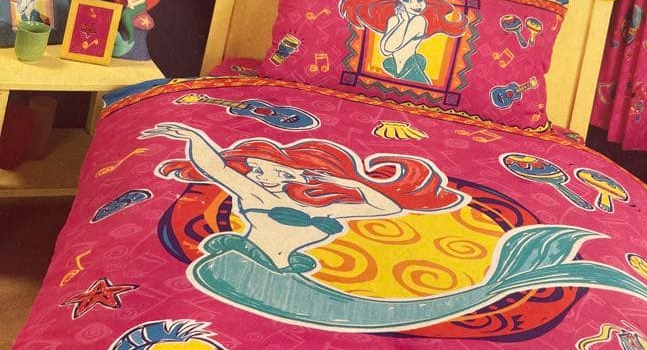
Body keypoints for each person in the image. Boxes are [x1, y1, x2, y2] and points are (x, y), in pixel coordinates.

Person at [142, 125, 464, 272]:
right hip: (246, 262)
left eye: (261, 169)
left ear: (292, 172)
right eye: (252, 169)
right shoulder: (257, 196)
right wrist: (193, 136)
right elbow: (217, 168)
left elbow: (387, 207)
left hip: (287, 270)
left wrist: (345, 183)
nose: (255, 175)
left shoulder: (326, 208)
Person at [340, 0, 467, 85]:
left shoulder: (420, 21)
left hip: (413, 73)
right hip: (396, 69)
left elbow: (390, 47)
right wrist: (402, 20)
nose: (416, 4)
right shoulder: (394, 20)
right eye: (408, 0)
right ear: (398, 2)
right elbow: (384, 49)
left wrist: (404, 21)